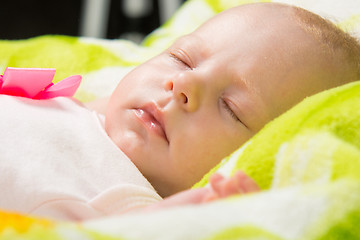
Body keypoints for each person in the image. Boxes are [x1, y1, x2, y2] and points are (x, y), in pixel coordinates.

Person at [0, 2, 359, 221]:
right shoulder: (76, 107)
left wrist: (197, 212)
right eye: (181, 59)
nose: (183, 86)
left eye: (231, 108)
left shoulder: (131, 201)